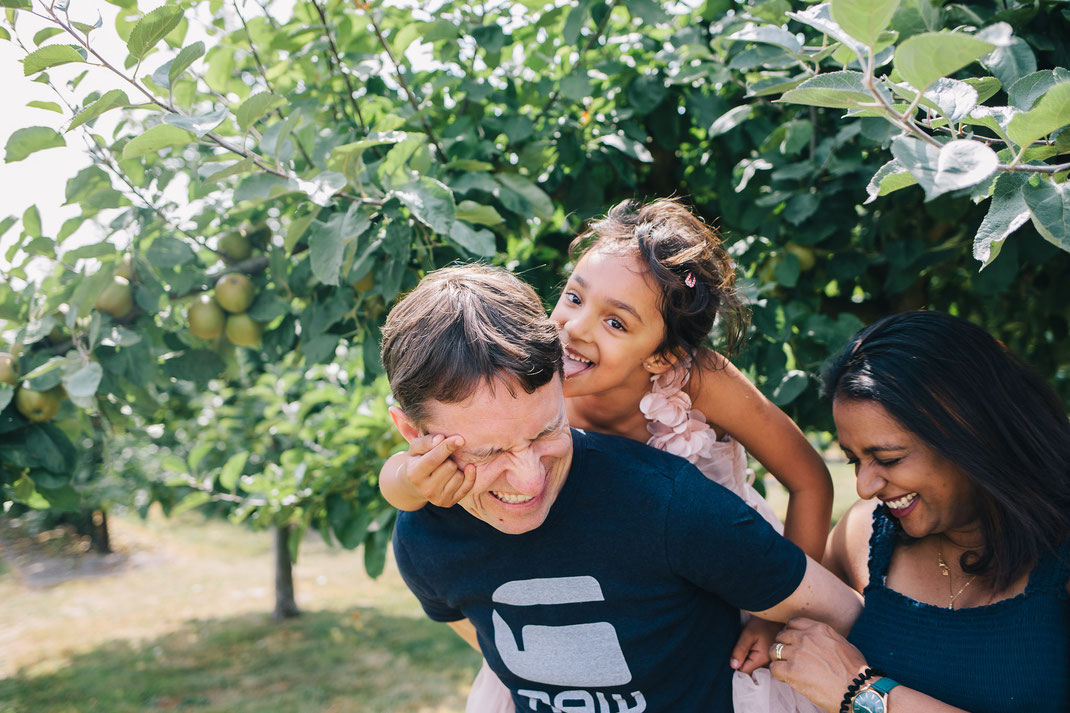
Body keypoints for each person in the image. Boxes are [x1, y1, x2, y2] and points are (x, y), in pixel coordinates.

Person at [380, 199, 834, 712]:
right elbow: (399, 477)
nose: (573, 328)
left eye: (616, 323)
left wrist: (776, 612)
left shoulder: (696, 379)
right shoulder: (529, 386)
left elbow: (809, 479)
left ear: (662, 354)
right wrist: (414, 483)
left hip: (725, 563)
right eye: (574, 297)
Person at [769, 311, 1070, 713]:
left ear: (972, 434)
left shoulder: (1060, 554)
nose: (865, 486)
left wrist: (861, 695)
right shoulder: (865, 532)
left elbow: (843, 682)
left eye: (888, 459)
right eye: (854, 460)